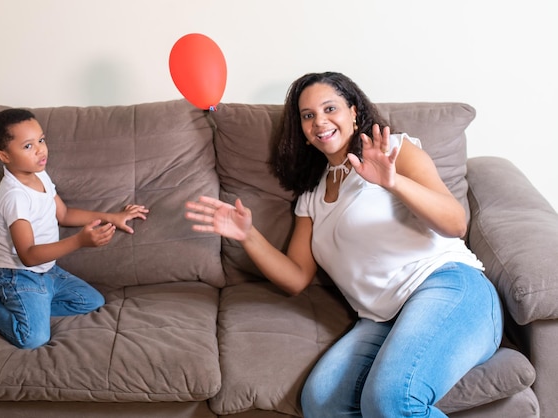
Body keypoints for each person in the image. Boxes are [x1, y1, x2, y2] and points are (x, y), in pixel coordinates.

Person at [185, 72, 503, 417]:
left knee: (390, 400)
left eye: (329, 108)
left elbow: (456, 223)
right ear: (303, 133)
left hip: (449, 286)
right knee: (322, 403)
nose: (319, 121)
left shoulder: (393, 150)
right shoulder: (311, 198)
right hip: (380, 320)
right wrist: (248, 234)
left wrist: (393, 183)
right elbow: (295, 278)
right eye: (308, 116)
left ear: (353, 112)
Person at [0, 108, 149, 349]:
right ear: (4, 156)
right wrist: (79, 241)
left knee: (91, 301)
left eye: (41, 140)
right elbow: (27, 255)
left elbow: (64, 214)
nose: (40, 149)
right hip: (16, 273)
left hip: (46, 272)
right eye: (28, 146)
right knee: (33, 338)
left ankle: (19, 300)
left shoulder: (39, 174)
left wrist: (112, 216)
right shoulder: (15, 197)